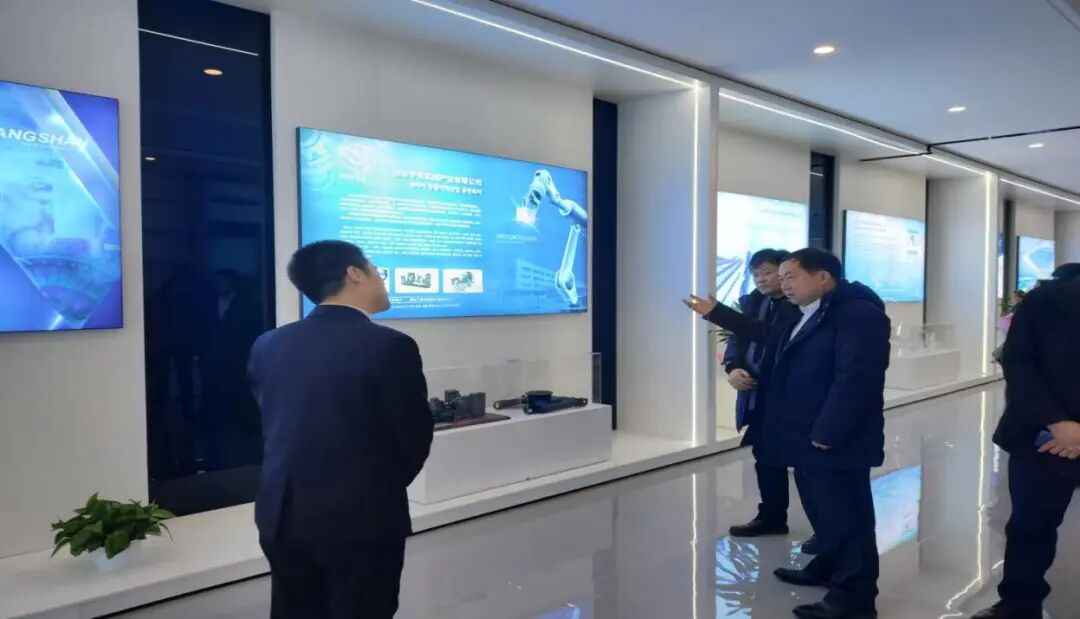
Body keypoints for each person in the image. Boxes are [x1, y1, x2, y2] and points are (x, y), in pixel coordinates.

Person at [686, 248, 890, 619]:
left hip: (834, 439)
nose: (783, 285)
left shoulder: (858, 314)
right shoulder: (801, 312)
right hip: (805, 435)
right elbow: (764, 334)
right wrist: (716, 312)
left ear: (823, 277)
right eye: (780, 278)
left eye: (790, 277)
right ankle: (827, 565)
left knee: (848, 518)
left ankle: (853, 599)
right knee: (822, 511)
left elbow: (857, 380)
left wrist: (828, 432)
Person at [248, 240, 434, 619]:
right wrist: (378, 486)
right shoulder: (390, 346)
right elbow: (412, 438)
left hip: (281, 513)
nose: (382, 279)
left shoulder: (269, 344)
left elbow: (273, 423)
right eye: (376, 269)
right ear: (354, 273)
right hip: (361, 518)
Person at [973, 263, 1080, 619]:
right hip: (1041, 435)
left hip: (1055, 435)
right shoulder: (1044, 301)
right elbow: (1018, 364)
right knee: (1030, 526)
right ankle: (1019, 604)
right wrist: (1058, 422)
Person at [722, 249, 820, 552]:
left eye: (767, 273)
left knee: (807, 465)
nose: (761, 280)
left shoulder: (800, 307)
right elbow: (738, 339)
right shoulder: (753, 302)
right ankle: (772, 516)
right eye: (755, 275)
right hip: (759, 394)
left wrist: (715, 311)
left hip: (792, 396)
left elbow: (770, 335)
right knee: (765, 457)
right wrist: (733, 368)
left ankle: (825, 530)